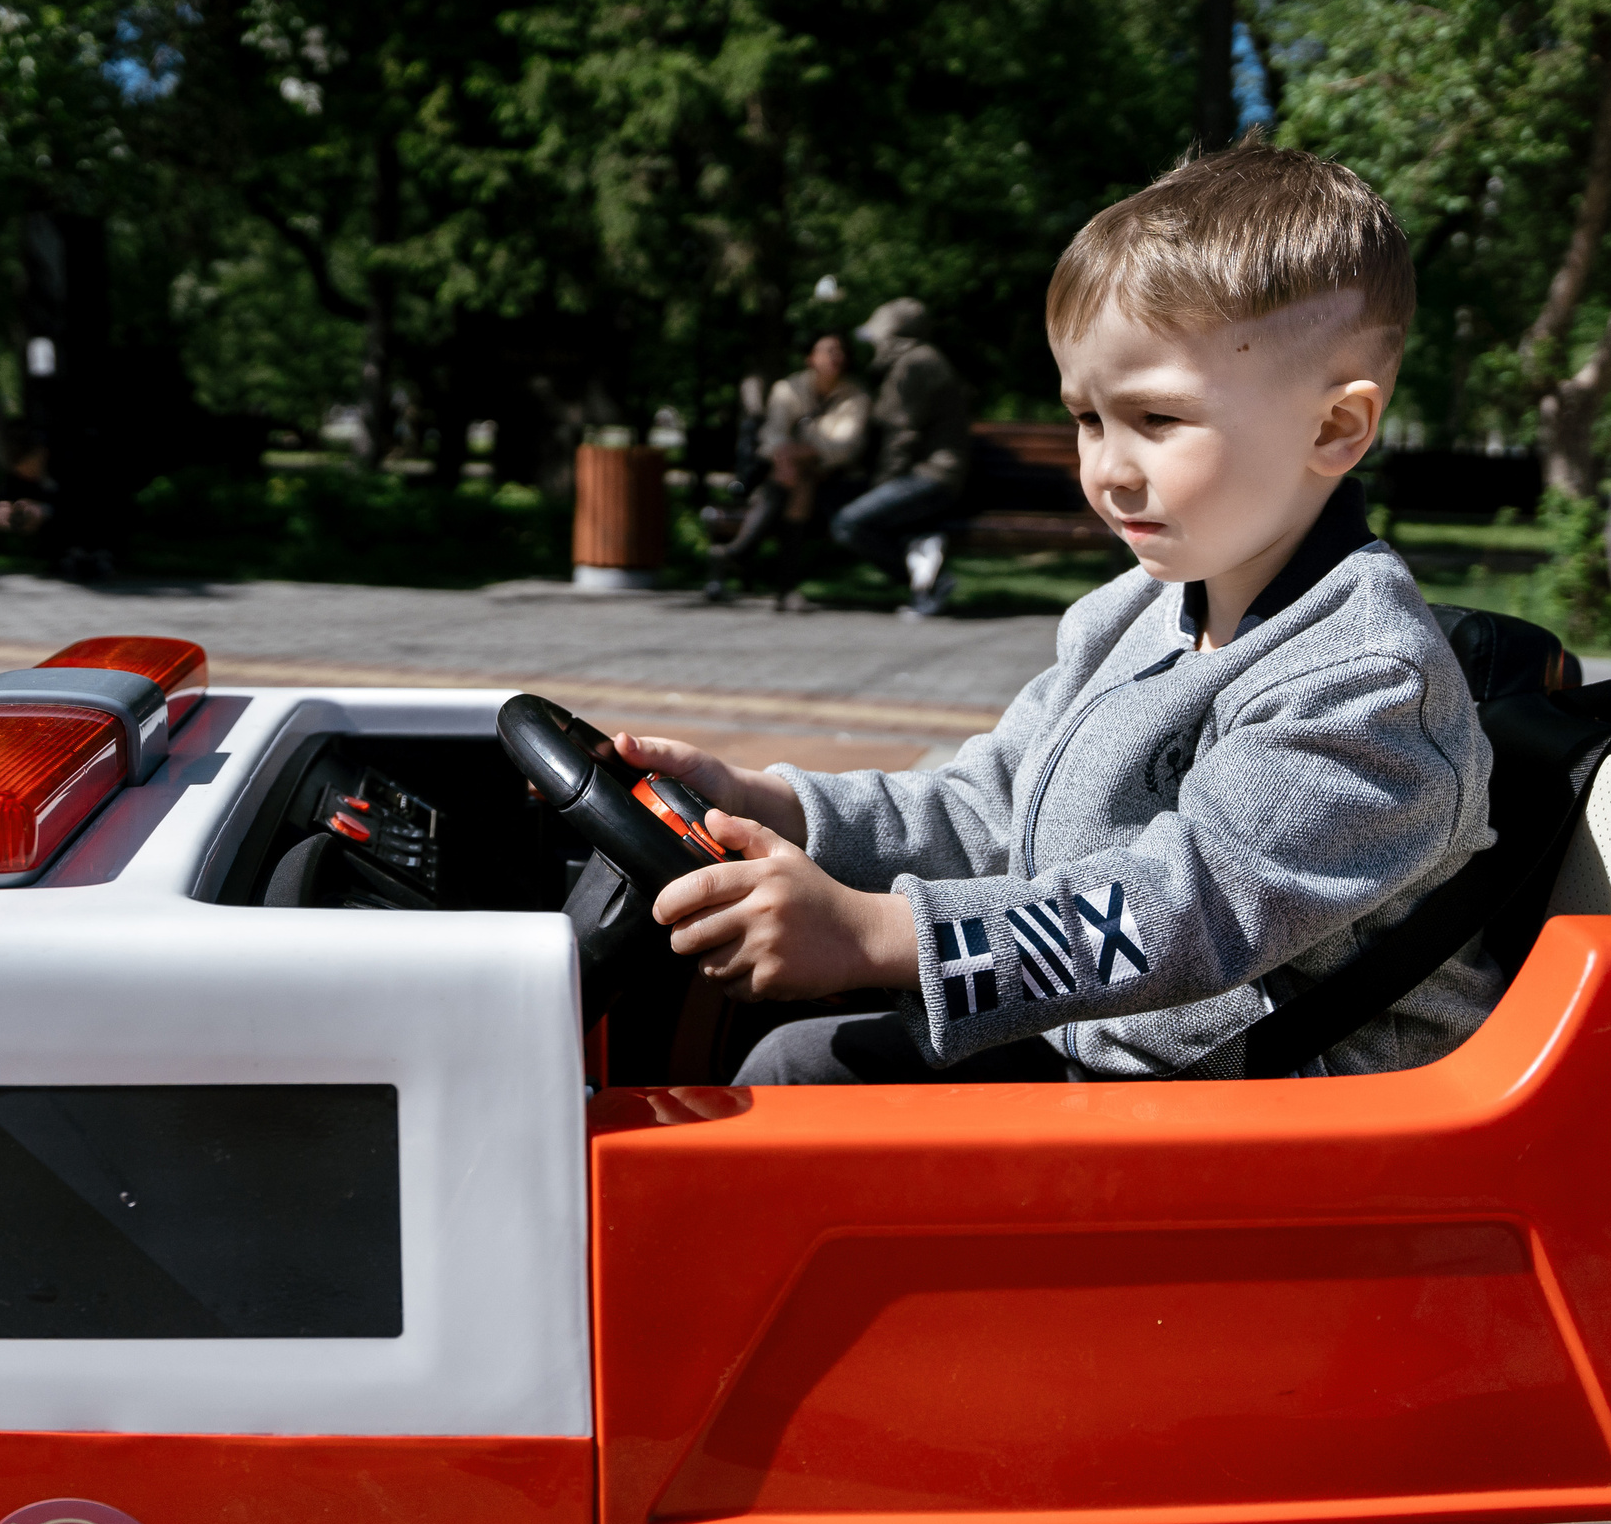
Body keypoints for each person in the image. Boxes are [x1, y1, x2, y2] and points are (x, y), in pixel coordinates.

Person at [615, 143, 1499, 1084]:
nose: (1109, 469)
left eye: (1157, 420)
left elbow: (1183, 908)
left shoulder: (1365, 682)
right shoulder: (1133, 612)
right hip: (1115, 1061)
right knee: (796, 1066)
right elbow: (988, 804)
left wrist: (880, 934)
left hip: (1299, 1138)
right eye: (1088, 418)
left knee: (794, 1095)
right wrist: (772, 805)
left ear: (1335, 429)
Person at [830, 298, 971, 618]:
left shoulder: (916, 363)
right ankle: (926, 579)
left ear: (893, 334)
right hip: (927, 476)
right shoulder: (916, 360)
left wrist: (883, 485)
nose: (874, 344)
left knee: (849, 524)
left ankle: (933, 583)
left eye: (878, 335)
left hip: (931, 477)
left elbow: (902, 435)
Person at [708, 333, 869, 606]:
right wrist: (787, 455)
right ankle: (784, 588)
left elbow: (845, 448)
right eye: (828, 350)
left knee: (798, 474)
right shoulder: (788, 389)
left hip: (836, 482)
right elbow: (772, 436)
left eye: (840, 351)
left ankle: (738, 551)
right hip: (793, 478)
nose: (836, 357)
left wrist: (800, 452)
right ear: (811, 359)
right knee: (800, 480)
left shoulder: (856, 396)